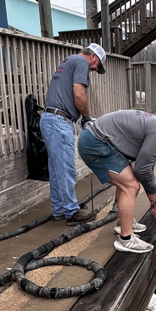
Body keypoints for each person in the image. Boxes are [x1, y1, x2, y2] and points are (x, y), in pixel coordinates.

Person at [77, 110, 156, 253]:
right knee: (131, 186)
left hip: (98, 139)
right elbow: (142, 169)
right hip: (95, 143)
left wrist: (153, 196)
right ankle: (125, 239)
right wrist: (154, 191)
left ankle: (124, 223)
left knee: (127, 180)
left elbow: (147, 165)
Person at [40, 43, 106, 225]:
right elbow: (79, 94)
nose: (95, 69)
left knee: (56, 169)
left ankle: (59, 210)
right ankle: (71, 212)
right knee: (66, 168)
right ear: (93, 56)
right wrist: (87, 118)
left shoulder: (69, 60)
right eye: (97, 65)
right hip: (59, 121)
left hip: (49, 118)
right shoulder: (81, 62)